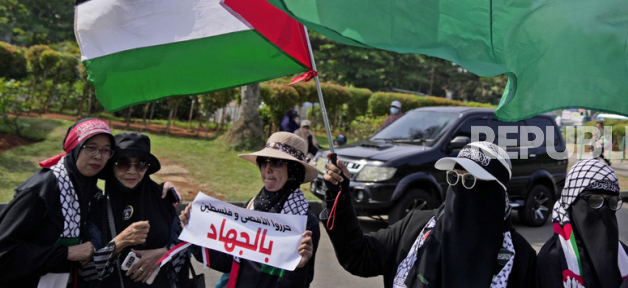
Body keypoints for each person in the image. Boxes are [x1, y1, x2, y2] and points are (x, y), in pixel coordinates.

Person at [322, 141, 537, 287]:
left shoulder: (519, 258)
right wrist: (338, 198)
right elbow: (359, 256)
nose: (460, 189)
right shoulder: (416, 227)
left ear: (495, 192)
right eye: (454, 177)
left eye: (470, 180)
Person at [181, 132, 319, 287]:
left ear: (293, 170)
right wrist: (194, 233)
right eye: (263, 161)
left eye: (277, 162)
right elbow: (227, 263)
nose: (267, 169)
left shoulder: (305, 223)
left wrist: (299, 267)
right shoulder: (250, 207)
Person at [0, 118, 115, 288]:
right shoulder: (42, 190)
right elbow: (4, 251)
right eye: (91, 148)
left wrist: (165, 189)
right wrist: (65, 253)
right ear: (74, 147)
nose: (98, 156)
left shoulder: (88, 190)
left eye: (106, 150)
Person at [537, 158, 628, 288]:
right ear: (572, 202)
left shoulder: (623, 253)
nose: (604, 209)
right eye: (595, 200)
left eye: (613, 202)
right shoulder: (553, 258)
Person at [80, 132, 190, 287]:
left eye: (141, 164)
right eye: (123, 163)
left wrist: (164, 254)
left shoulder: (163, 198)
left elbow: (184, 251)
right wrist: (119, 243)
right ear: (112, 165)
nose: (132, 171)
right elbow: (86, 271)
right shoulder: (98, 207)